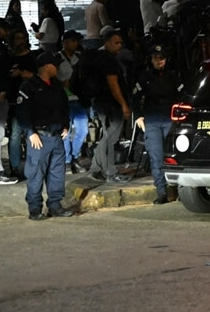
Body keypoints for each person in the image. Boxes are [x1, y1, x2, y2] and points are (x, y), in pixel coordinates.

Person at [16, 52, 74, 220]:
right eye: (55, 65)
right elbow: (22, 112)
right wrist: (30, 132)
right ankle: (35, 209)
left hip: (57, 136)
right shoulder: (29, 86)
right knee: (35, 173)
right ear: (47, 66)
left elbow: (64, 107)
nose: (57, 68)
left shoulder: (56, 86)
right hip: (39, 137)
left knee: (57, 173)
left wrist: (65, 125)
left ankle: (55, 206)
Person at [133, 43, 183, 205]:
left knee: (175, 156)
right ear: (151, 59)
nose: (159, 61)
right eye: (155, 58)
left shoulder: (174, 76)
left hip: (170, 121)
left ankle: (180, 190)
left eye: (161, 58)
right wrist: (138, 117)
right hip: (152, 121)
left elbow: (183, 96)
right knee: (156, 157)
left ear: (166, 59)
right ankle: (161, 192)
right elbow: (134, 97)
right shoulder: (145, 77)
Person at [87, 29, 132, 183]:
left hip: (101, 103)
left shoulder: (100, 58)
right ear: (106, 43)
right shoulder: (108, 61)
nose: (120, 46)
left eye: (121, 43)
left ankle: (96, 168)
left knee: (107, 137)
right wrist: (124, 104)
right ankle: (110, 172)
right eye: (116, 43)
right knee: (110, 139)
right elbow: (113, 85)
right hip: (110, 105)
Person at [6, 28, 38, 179]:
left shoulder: (33, 57)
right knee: (15, 134)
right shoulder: (9, 58)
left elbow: (39, 76)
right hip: (14, 100)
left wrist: (26, 74)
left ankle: (34, 165)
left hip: (32, 100)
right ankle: (15, 167)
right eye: (17, 38)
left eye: (23, 38)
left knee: (33, 132)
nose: (21, 41)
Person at [56, 30, 89, 174]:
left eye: (77, 41)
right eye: (73, 41)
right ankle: (68, 160)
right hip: (63, 99)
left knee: (83, 129)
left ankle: (73, 156)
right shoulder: (57, 58)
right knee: (66, 131)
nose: (76, 44)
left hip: (78, 98)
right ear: (65, 42)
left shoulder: (79, 58)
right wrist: (62, 84)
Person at [0, 18, 19, 184]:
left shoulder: (1, 47)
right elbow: (0, 72)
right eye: (5, 30)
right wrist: (3, 90)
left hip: (0, 94)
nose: (7, 33)